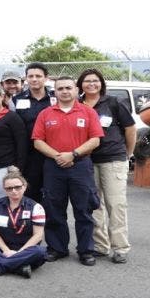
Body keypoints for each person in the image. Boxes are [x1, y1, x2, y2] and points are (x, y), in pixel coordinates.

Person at [32, 75, 104, 266]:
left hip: (80, 166)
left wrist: (72, 155)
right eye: (60, 88)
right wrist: (58, 156)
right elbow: (38, 141)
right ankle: (57, 248)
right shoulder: (45, 114)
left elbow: (95, 140)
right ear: (54, 92)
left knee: (84, 209)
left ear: (76, 90)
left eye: (68, 88)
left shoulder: (88, 112)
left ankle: (86, 250)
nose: (64, 91)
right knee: (54, 209)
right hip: (53, 167)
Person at [78, 68, 135, 264]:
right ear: (81, 84)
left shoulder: (114, 102)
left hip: (113, 160)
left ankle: (120, 247)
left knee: (116, 204)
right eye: (87, 81)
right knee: (94, 204)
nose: (91, 84)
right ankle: (100, 246)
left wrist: (127, 153)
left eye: (95, 80)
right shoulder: (77, 105)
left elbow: (130, 129)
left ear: (101, 83)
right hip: (87, 161)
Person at [0, 168, 47, 278]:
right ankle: (19, 267)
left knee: (40, 252)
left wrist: (20, 252)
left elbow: (38, 236)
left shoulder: (36, 207)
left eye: (17, 187)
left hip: (27, 249)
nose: (14, 191)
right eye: (9, 188)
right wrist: (6, 250)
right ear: (5, 190)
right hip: (3, 247)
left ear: (24, 186)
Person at [12, 63, 54, 202]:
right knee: (30, 191)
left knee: (53, 193)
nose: (34, 79)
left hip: (52, 152)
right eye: (31, 76)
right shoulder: (17, 99)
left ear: (46, 78)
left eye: (38, 76)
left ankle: (52, 224)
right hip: (27, 154)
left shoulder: (56, 98)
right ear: (26, 78)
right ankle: (32, 222)